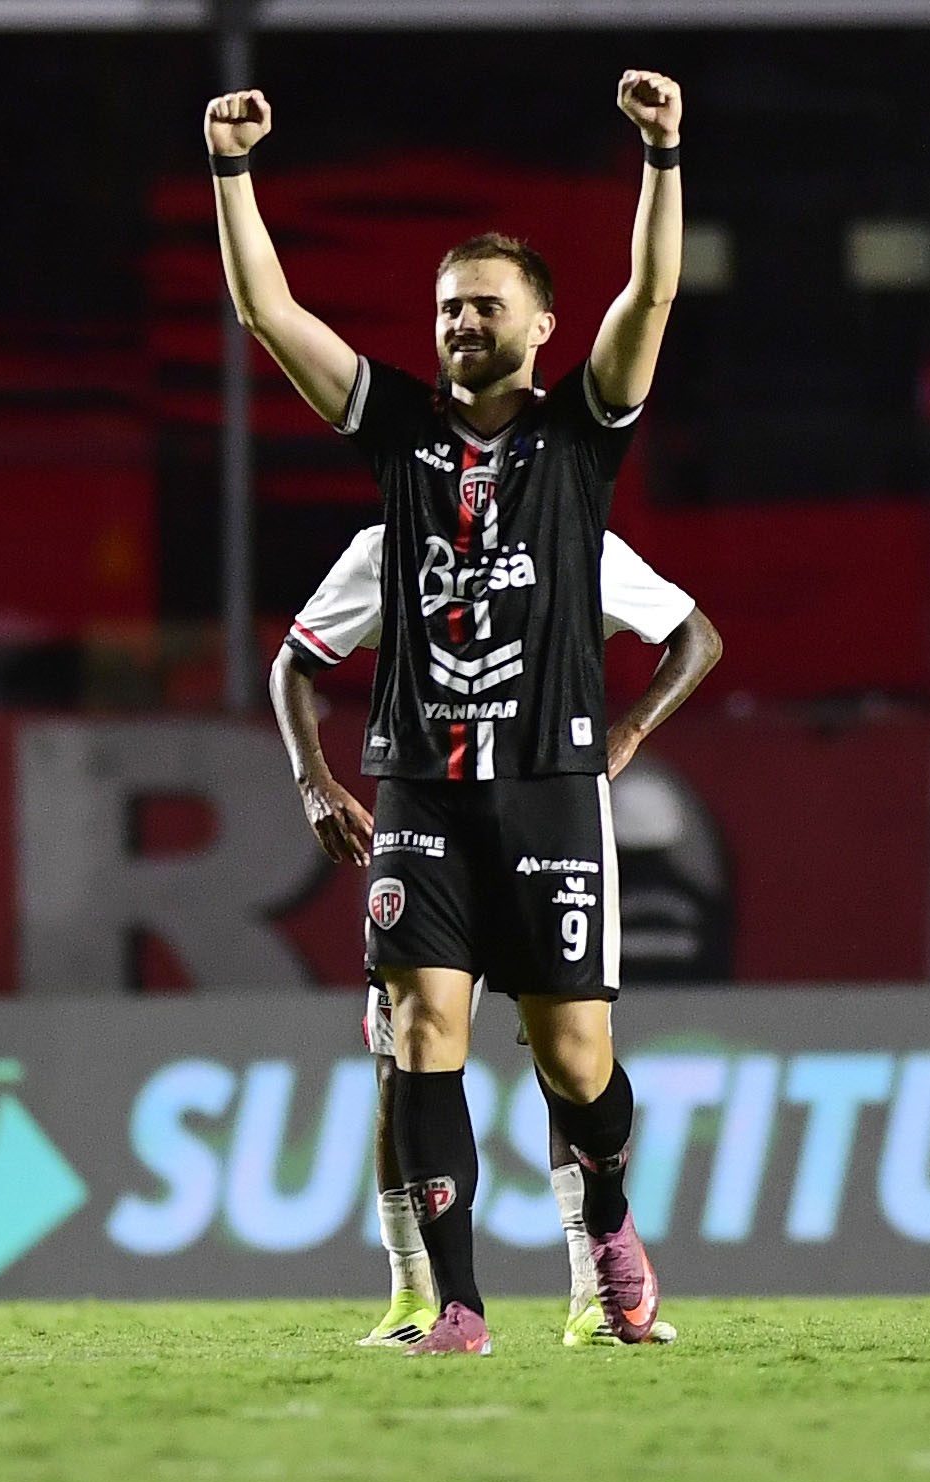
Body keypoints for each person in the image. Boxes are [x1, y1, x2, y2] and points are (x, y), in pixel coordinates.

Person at [210, 70, 687, 1353]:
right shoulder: (401, 433)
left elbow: (650, 299)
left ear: (541, 327)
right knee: (423, 1031)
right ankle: (460, 1305)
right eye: (446, 308)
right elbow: (267, 311)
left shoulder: (580, 441)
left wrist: (661, 156)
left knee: (573, 1058)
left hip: (546, 782)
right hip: (419, 780)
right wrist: (232, 174)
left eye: (486, 306)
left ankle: (609, 1215)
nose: (460, 323)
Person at [269, 522, 720, 1347]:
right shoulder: (387, 544)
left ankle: (595, 1282)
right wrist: (315, 781)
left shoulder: (570, 537)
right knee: (405, 1046)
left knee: (566, 1052)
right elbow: (294, 660)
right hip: (427, 808)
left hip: (547, 812)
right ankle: (420, 1294)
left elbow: (696, 636)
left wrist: (627, 734)